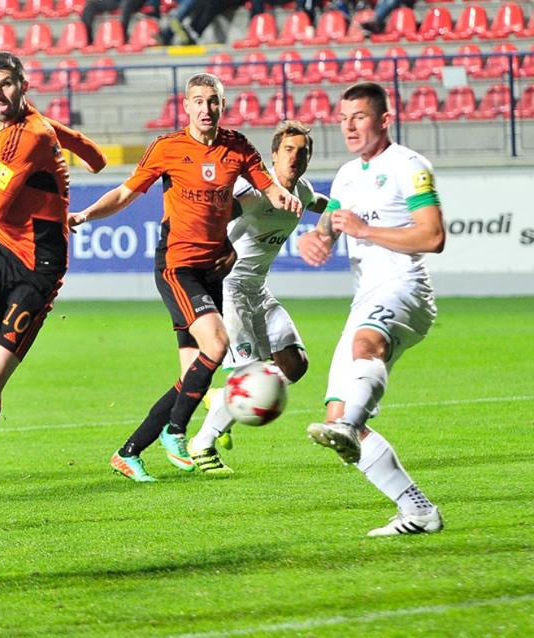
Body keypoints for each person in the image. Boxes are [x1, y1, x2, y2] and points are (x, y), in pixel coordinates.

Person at [69, 73, 302, 482]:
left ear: (222, 105)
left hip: (213, 269)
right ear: (187, 105)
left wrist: (281, 195)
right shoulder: (168, 148)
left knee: (192, 373)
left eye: (213, 101)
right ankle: (175, 432)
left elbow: (267, 185)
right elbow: (125, 193)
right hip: (177, 264)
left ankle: (128, 452)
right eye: (199, 101)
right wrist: (87, 214)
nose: (206, 109)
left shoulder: (238, 146)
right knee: (217, 344)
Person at [297, 81, 445, 536]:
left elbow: (433, 236)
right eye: (343, 119)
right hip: (366, 297)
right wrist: (316, 238)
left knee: (366, 346)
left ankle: (351, 423)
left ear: (384, 119)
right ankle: (417, 510)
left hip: (405, 287)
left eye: (358, 117)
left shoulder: (409, 166)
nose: (349, 127)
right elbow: (330, 225)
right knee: (336, 417)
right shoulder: (346, 175)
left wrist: (366, 230)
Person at [0, 51, 106, 443]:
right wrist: (90, 163)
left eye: (5, 84)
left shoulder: (28, 135)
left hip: (37, 267)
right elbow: (88, 150)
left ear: (23, 86)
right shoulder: (33, 122)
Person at [190, 120, 328, 476]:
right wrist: (219, 244)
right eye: (288, 150)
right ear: (273, 155)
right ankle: (202, 444)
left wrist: (346, 208)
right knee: (251, 377)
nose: (295, 157)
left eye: (302, 152)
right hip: (230, 289)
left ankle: (223, 398)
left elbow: (317, 203)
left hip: (259, 290)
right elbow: (218, 213)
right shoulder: (253, 190)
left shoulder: (302, 190)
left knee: (294, 365)